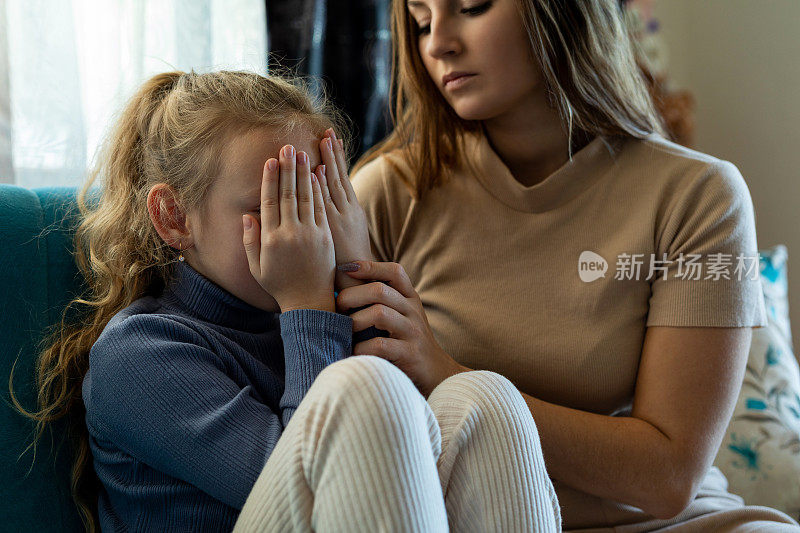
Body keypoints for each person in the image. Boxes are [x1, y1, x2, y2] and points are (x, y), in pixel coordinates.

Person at [8, 69, 561, 532]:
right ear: (174, 218)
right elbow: (318, 485)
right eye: (276, 205)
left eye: (320, 199)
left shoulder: (315, 308)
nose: (309, 233)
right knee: (364, 388)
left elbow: (397, 477)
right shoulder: (139, 355)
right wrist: (310, 308)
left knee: (483, 397)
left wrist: (354, 284)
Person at [342, 0, 800, 531]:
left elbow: (669, 477)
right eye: (421, 21)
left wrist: (447, 373)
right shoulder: (388, 193)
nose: (437, 42)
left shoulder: (701, 196)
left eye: (471, 7)